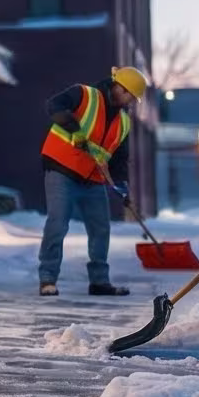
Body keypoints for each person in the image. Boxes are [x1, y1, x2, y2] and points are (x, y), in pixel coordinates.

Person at [38, 65, 148, 297]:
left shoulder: (124, 123)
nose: (128, 100)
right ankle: (48, 278)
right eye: (127, 93)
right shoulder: (83, 95)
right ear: (117, 85)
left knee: (101, 228)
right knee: (58, 223)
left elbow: (119, 160)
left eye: (132, 98)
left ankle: (99, 282)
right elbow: (53, 106)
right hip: (62, 169)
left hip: (93, 179)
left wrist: (122, 188)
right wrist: (74, 129)